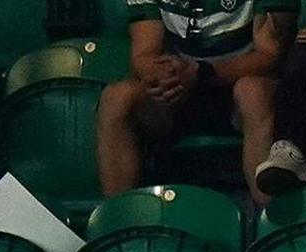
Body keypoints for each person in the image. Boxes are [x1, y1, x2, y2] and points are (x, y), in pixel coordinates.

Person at [97, 0, 290, 198]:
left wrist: (201, 73)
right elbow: (144, 54)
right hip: (180, 89)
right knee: (117, 98)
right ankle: (119, 219)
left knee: (253, 92)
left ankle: (270, 220)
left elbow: (270, 56)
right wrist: (165, 75)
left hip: (239, 84)